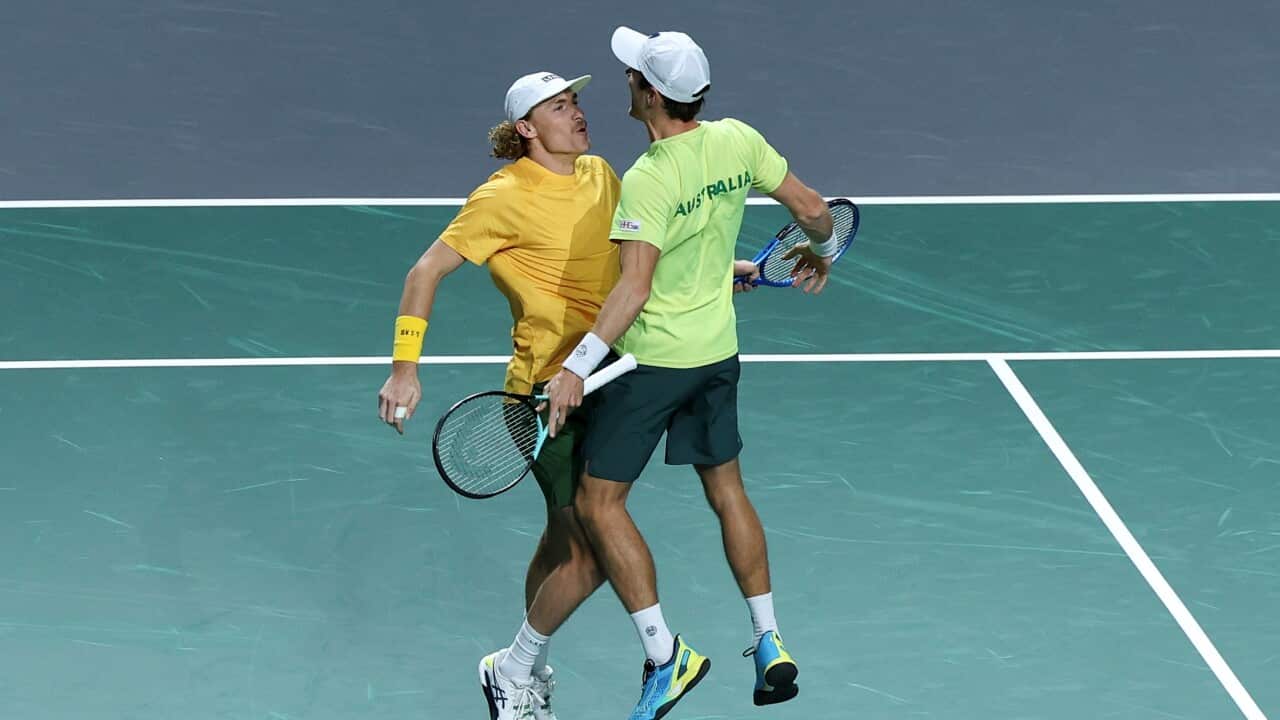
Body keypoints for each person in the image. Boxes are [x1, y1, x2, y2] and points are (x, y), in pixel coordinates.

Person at [543, 27, 838, 720]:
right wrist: (820, 253)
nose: (624, 82)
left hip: (652, 365)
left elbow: (633, 289)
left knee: (597, 504)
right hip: (717, 352)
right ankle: (769, 640)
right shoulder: (737, 139)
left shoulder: (648, 177)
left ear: (649, 93)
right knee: (727, 491)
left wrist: (576, 370)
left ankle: (662, 652)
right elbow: (814, 211)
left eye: (631, 75)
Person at [376, 70, 621, 720]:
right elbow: (424, 270)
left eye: (576, 102)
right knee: (594, 557)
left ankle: (524, 669)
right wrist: (405, 368)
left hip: (609, 378)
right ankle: (511, 670)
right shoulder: (503, 196)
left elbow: (632, 262)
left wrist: (723, 275)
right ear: (527, 129)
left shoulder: (601, 175)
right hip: (546, 397)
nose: (577, 113)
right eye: (559, 107)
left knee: (562, 538)